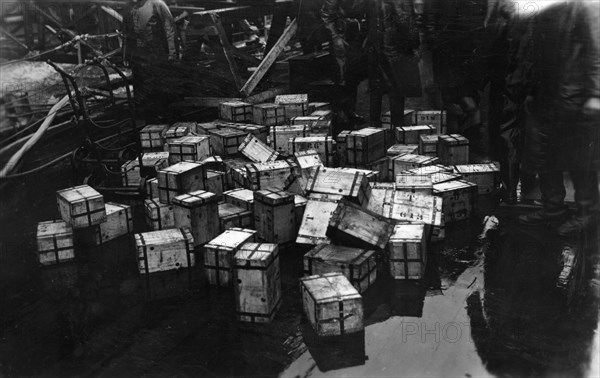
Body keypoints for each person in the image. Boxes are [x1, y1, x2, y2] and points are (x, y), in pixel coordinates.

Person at [518, 0, 600, 236]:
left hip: (574, 95)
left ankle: (587, 214)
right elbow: (538, 50)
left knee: (579, 157)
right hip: (548, 92)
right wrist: (532, 89)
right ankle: (553, 209)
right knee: (543, 152)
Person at [122, 0, 177, 118]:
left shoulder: (157, 4)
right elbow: (126, 32)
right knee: (140, 84)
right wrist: (125, 54)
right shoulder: (128, 7)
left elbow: (170, 29)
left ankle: (162, 115)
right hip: (137, 53)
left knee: (157, 85)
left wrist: (172, 53)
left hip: (155, 51)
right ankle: (146, 118)